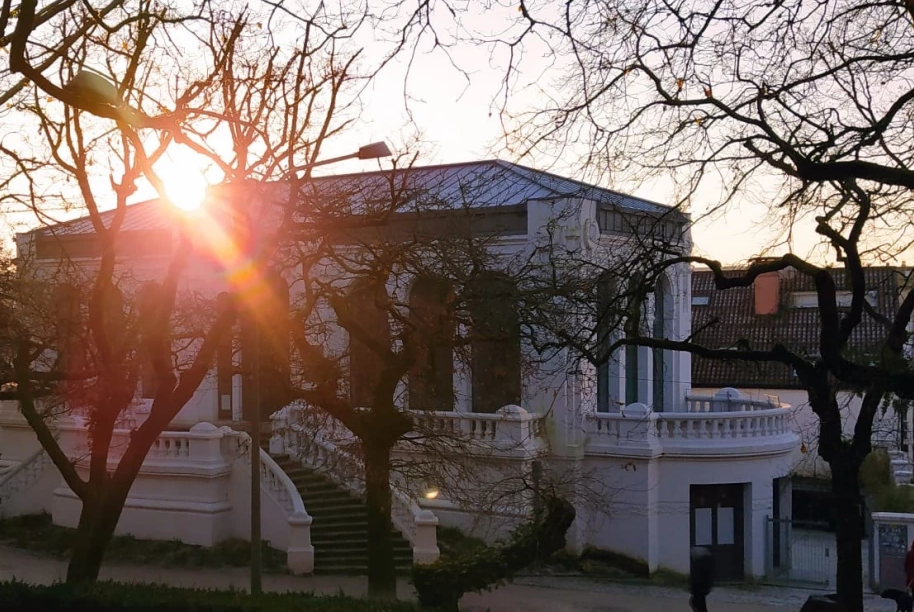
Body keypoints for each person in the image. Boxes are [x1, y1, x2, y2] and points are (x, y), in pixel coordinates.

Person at [690, 546, 715, 612]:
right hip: (702, 590)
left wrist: (692, 589)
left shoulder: (699, 563)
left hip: (699, 590)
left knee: (697, 605)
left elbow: (696, 577)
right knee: (700, 606)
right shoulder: (707, 562)